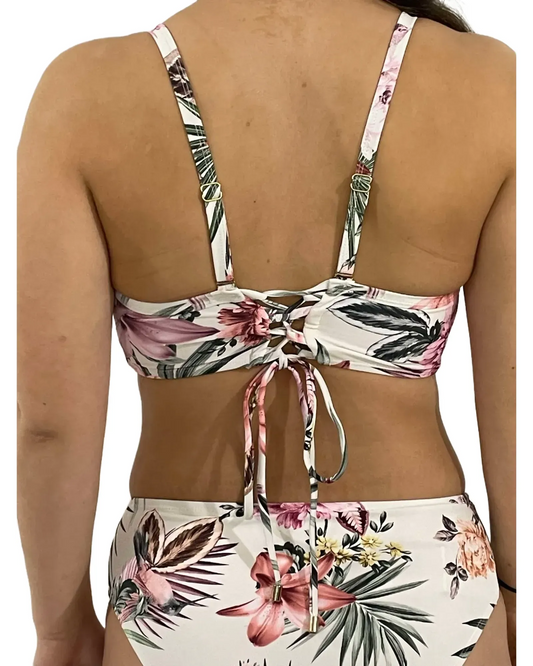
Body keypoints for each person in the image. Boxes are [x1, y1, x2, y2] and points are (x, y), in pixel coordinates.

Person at [17, 1, 516, 665]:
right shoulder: (488, 83)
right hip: (427, 581)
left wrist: (60, 631)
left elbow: (50, 429)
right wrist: (516, 593)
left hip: (179, 586)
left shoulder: (87, 90)